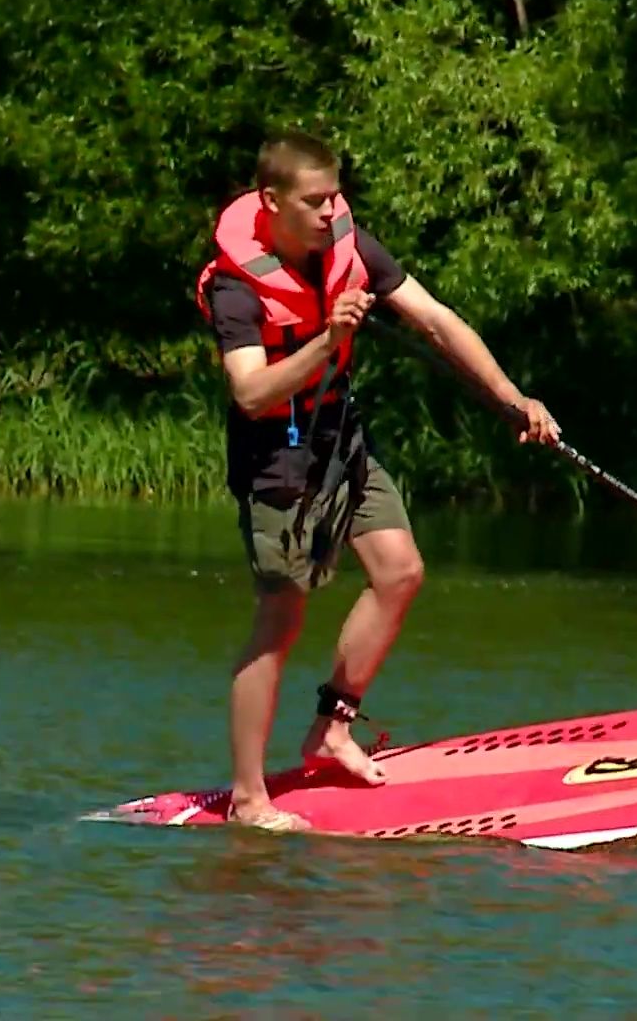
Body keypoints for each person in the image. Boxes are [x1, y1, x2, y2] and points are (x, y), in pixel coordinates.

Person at [194, 132, 562, 832]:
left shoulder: (350, 244)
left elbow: (435, 319)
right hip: (277, 452)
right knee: (282, 619)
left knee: (400, 571)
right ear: (271, 202)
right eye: (314, 200)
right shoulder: (236, 287)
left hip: (340, 438)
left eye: (335, 194)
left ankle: (331, 730)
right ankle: (247, 799)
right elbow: (250, 393)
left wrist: (514, 399)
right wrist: (328, 341)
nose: (332, 210)